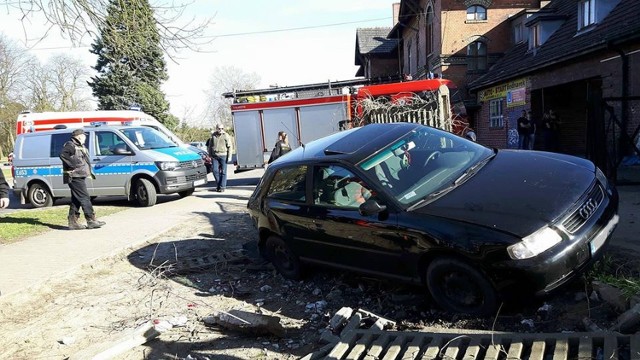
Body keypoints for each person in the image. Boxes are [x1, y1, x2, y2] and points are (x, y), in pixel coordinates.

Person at [59, 128, 106, 230]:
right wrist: (72, 165)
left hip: (78, 175)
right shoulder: (70, 145)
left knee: (76, 199)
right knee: (85, 198)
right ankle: (91, 220)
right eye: (84, 136)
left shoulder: (78, 146)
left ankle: (73, 222)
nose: (85, 138)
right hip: (74, 176)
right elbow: (63, 154)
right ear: (79, 136)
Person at [206, 124, 232, 192]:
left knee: (223, 172)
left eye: (222, 128)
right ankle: (219, 185)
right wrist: (210, 154)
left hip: (223, 155)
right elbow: (210, 145)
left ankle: (222, 187)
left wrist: (229, 156)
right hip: (215, 156)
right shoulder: (213, 135)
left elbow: (230, 146)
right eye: (219, 128)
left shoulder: (226, 135)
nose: (221, 130)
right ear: (216, 128)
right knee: (215, 171)